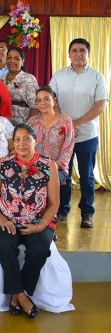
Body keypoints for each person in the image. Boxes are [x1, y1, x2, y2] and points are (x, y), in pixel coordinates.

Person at [0, 123, 59, 319]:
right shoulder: (3, 163)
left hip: (38, 222)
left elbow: (54, 203)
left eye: (27, 138)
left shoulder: (49, 165)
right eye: (17, 139)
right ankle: (21, 295)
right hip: (6, 221)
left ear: (36, 141)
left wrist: (41, 225)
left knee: (40, 248)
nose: (22, 143)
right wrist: (1, 218)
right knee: (4, 245)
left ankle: (17, 295)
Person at [49, 38, 109, 228]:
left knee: (87, 175)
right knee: (63, 175)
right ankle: (62, 211)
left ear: (88, 54)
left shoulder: (97, 77)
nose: (78, 54)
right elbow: (51, 102)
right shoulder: (58, 76)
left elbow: (101, 105)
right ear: (69, 54)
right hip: (62, 137)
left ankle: (87, 213)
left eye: (82, 50)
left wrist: (76, 123)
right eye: (74, 50)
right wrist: (65, 125)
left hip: (88, 136)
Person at [28, 86, 74, 192]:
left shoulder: (65, 120)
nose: (43, 103)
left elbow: (68, 148)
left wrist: (51, 166)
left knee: (45, 179)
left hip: (58, 168)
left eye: (46, 99)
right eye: (39, 100)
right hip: (35, 166)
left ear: (54, 101)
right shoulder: (32, 122)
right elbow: (28, 147)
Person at [2, 47, 39, 125]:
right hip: (4, 123)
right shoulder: (0, 80)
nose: (12, 61)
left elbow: (35, 106)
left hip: (23, 123)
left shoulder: (28, 79)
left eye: (16, 58)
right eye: (9, 58)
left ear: (22, 62)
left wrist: (28, 126)